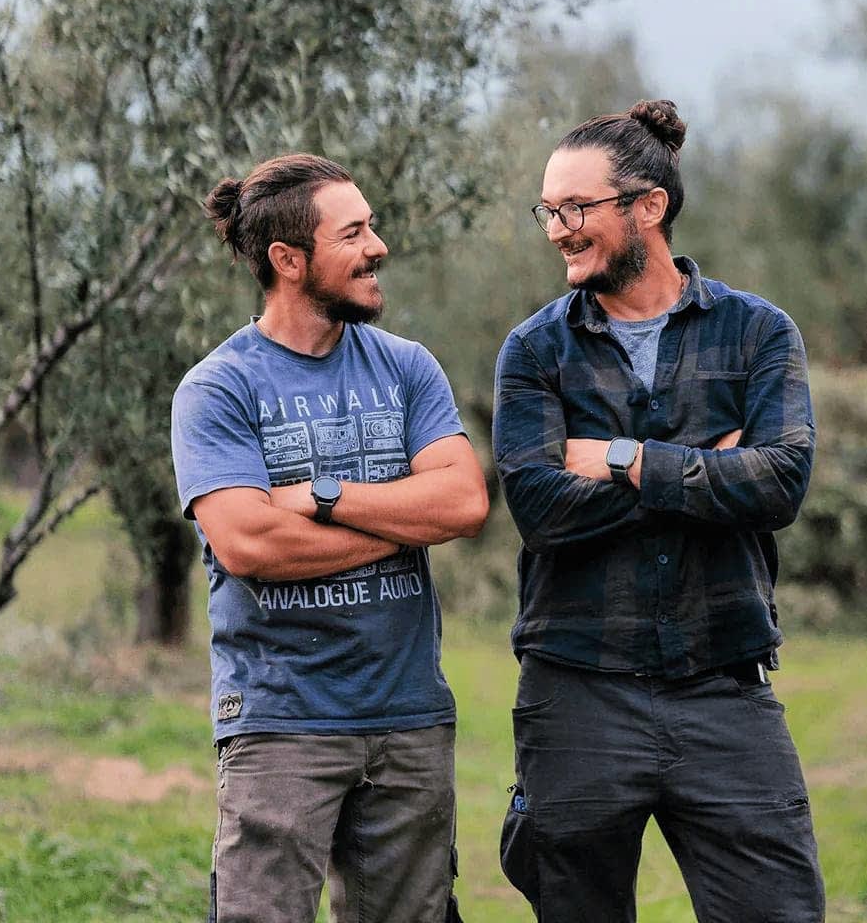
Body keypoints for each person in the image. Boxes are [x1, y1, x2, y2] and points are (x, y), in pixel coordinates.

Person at [493, 100, 824, 922]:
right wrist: (710, 465)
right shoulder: (534, 350)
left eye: (576, 208)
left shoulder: (757, 333)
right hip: (576, 691)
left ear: (649, 206)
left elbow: (779, 484)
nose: (558, 230)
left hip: (724, 684)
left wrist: (623, 459)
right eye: (548, 211)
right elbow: (540, 508)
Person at [170, 153, 488, 923]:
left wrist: (325, 497)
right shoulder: (219, 388)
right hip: (279, 721)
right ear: (289, 260)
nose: (378, 246)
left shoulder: (407, 367)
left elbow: (462, 501)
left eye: (370, 226)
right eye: (353, 234)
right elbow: (250, 546)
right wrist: (402, 524)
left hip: (409, 718)